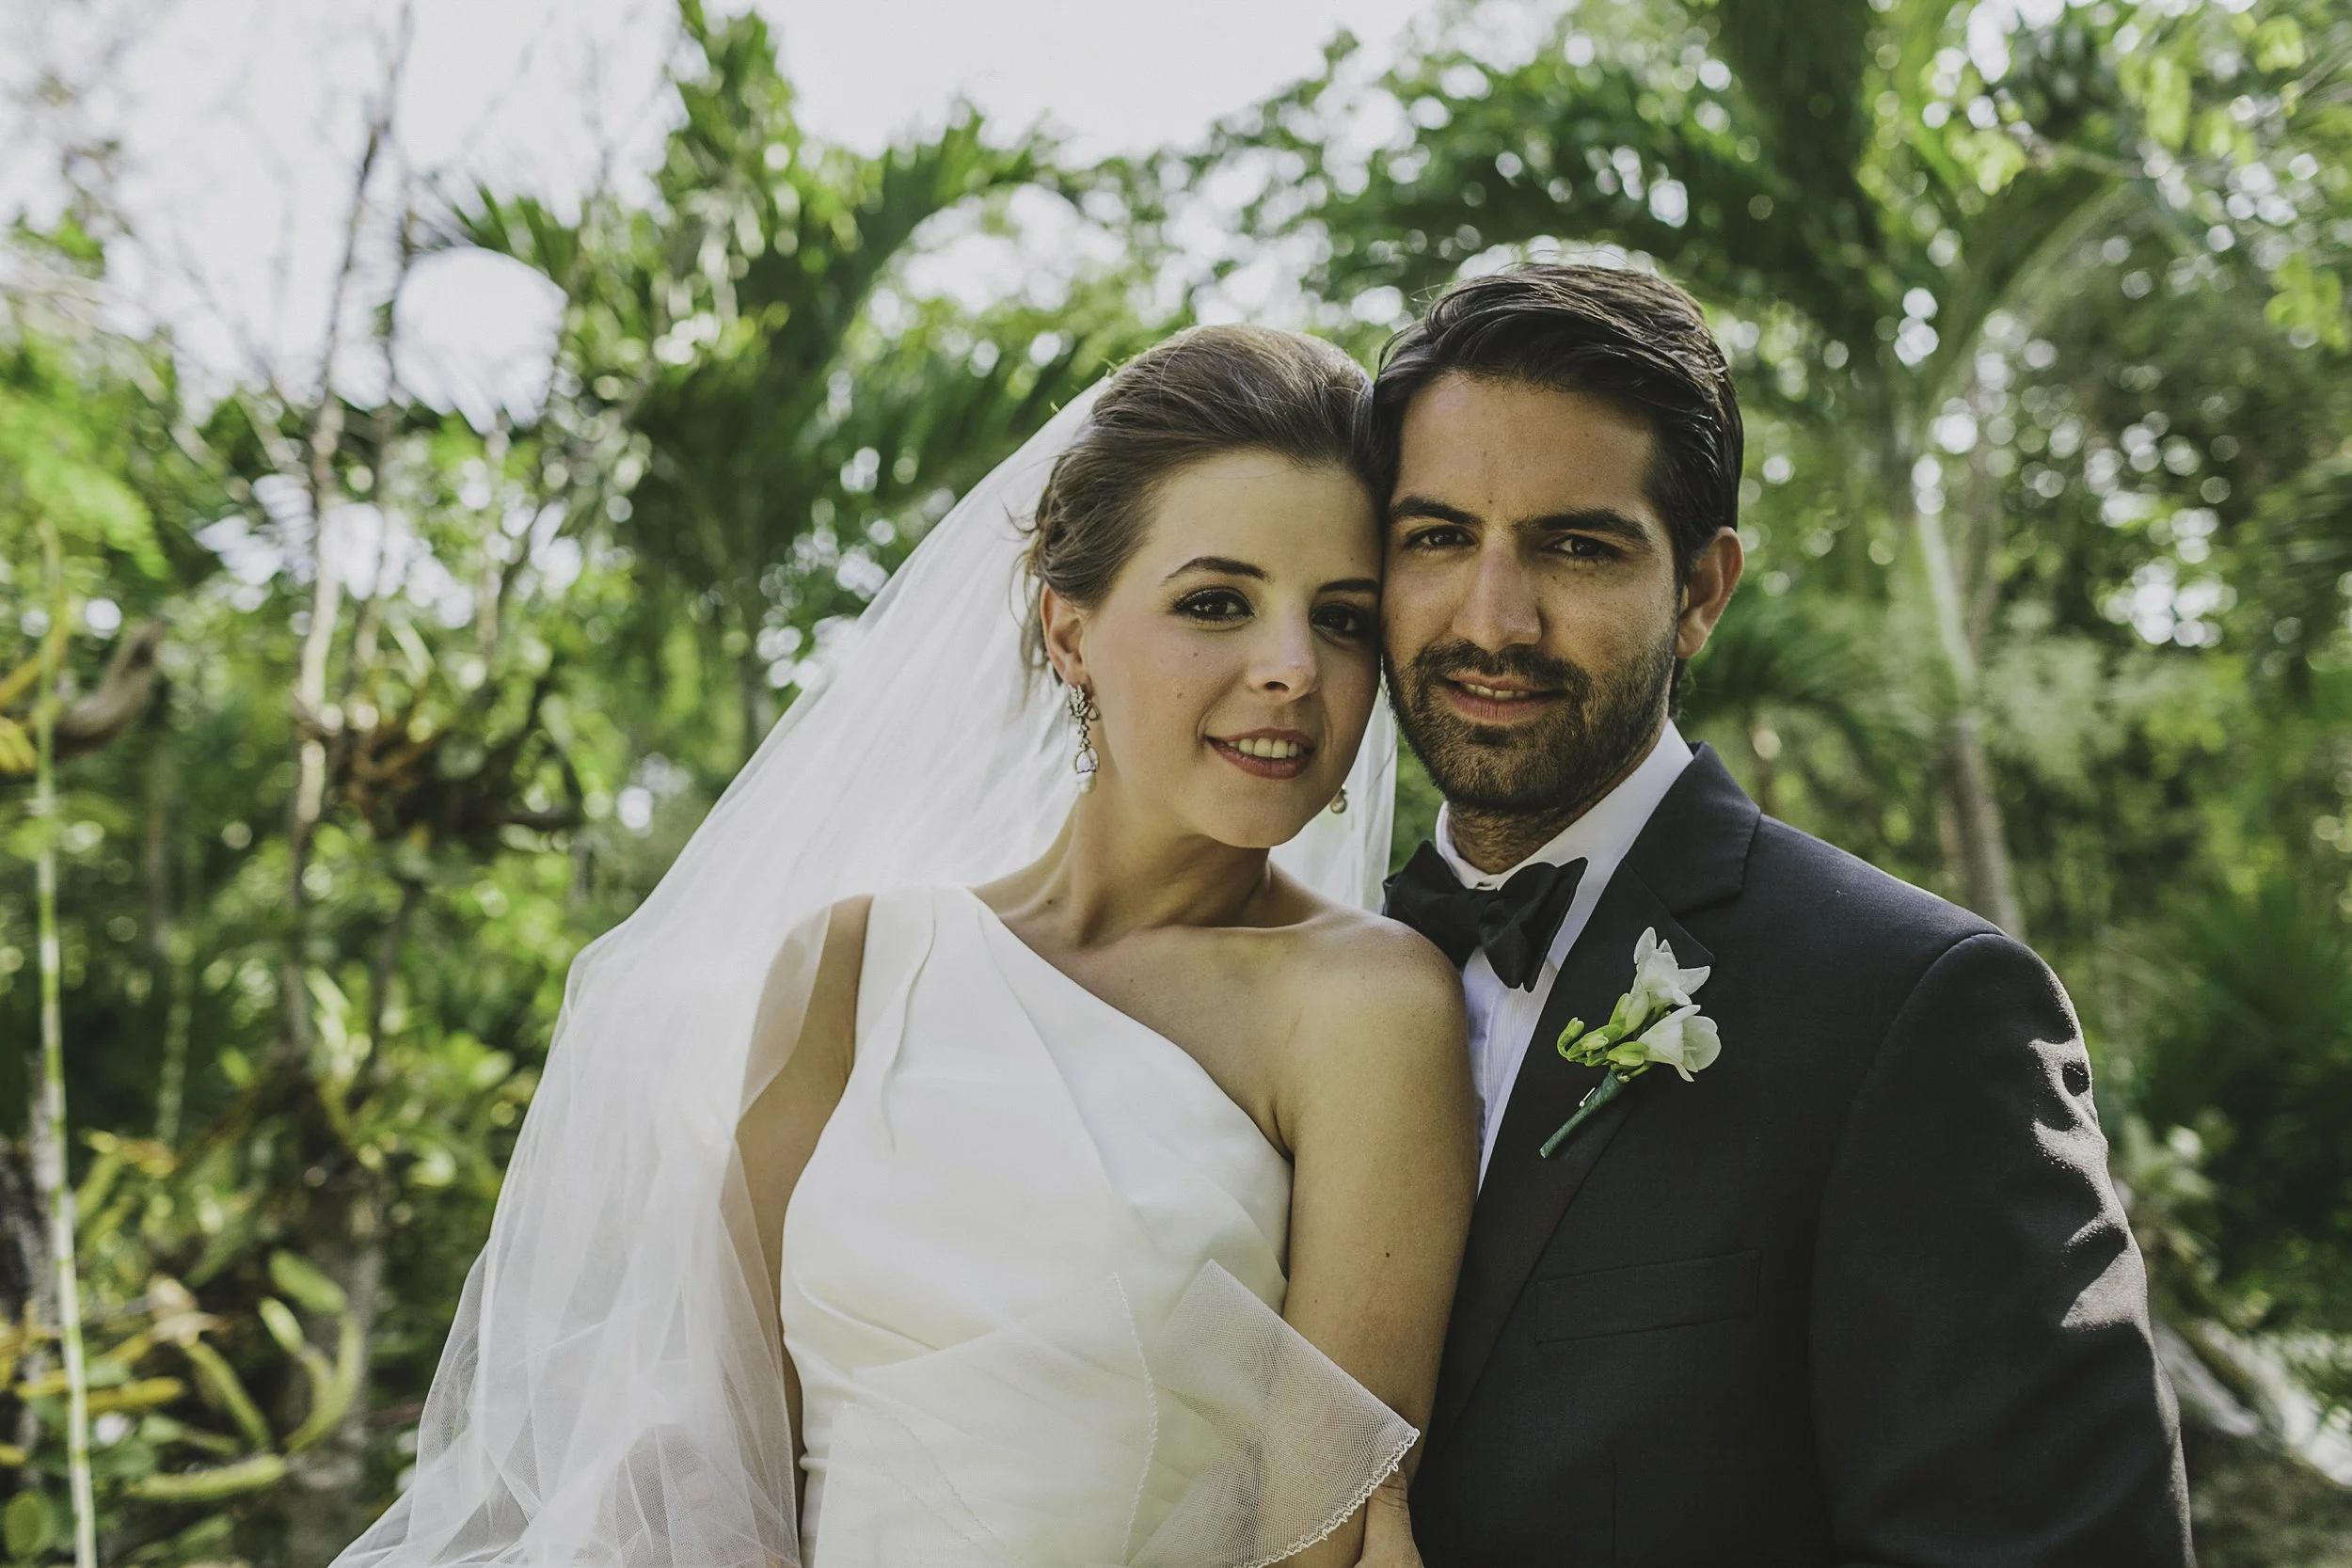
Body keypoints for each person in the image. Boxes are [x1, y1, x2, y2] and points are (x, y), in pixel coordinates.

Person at [332, 326, 1475, 1568]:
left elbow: (1325, 1534)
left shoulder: (1364, 1006)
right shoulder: (852, 968)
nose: (1292, 669)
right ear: (1070, 629)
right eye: (1216, 602)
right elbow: (720, 1449)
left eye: (1345, 621)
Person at [1373, 263, 2196, 1567]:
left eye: (1576, 545)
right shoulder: (1294, 976)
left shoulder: (1917, 1010)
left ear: (1702, 590)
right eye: (1436, 537)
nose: (1492, 618)